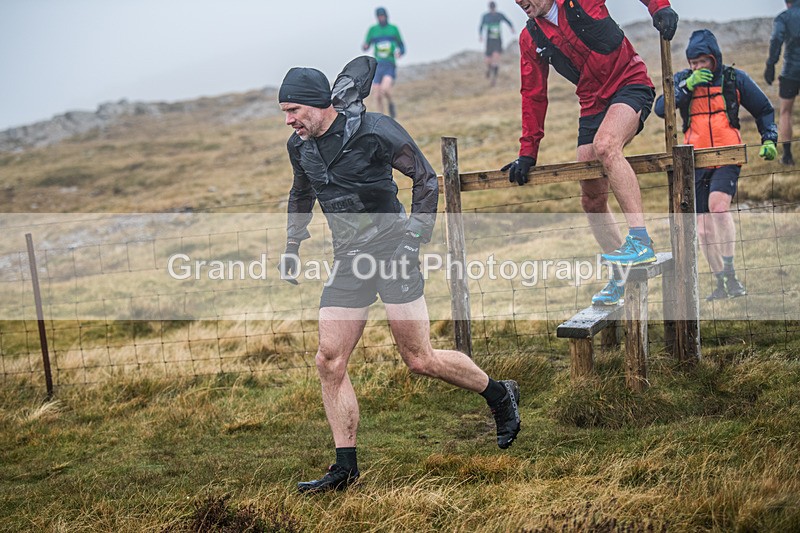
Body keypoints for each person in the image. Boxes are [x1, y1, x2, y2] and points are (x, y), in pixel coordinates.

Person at [278, 57, 522, 494]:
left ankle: (499, 394)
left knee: (419, 359)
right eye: (284, 113)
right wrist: (292, 245)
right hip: (349, 258)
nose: (290, 120)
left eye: (294, 110)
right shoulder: (300, 147)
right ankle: (345, 469)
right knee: (329, 360)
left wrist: (414, 237)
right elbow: (301, 193)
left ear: (317, 105)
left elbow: (425, 179)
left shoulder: (374, 130)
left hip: (394, 249)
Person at [502, 0, 679, 307]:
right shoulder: (530, 37)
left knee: (606, 145)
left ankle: (640, 241)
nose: (519, 1)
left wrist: (659, 7)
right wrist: (528, 153)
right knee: (591, 197)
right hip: (592, 104)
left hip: (630, 84)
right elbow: (533, 95)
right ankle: (619, 274)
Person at [655, 30, 778, 300]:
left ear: (714, 59)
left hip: (727, 155)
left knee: (719, 209)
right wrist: (687, 86)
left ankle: (732, 276)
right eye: (693, 63)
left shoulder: (734, 78)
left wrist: (769, 138)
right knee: (702, 229)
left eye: (702, 62)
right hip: (694, 161)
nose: (697, 67)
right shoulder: (683, 81)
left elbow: (764, 110)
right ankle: (722, 283)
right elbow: (661, 108)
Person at [765, 0, 800, 165]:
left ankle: (787, 157)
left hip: (790, 72)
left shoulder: (783, 18)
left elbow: (776, 40)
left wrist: (771, 64)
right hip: (790, 71)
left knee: (785, 112)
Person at [362, 7, 405, 118]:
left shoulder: (393, 29)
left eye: (383, 16)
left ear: (386, 16)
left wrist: (401, 52)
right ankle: (381, 117)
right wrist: (365, 46)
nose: (381, 18)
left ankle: (391, 104)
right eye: (379, 16)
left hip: (389, 64)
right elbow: (366, 44)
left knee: (385, 89)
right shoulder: (373, 30)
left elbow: (401, 45)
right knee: (377, 95)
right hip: (378, 65)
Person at [479, 1, 515, 86]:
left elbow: (507, 21)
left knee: (496, 59)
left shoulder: (499, 15)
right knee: (488, 60)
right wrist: (480, 35)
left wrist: (512, 28)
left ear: (495, 7)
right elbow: (481, 26)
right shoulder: (485, 16)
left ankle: (494, 79)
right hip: (489, 41)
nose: (492, 10)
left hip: (497, 40)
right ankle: (488, 69)